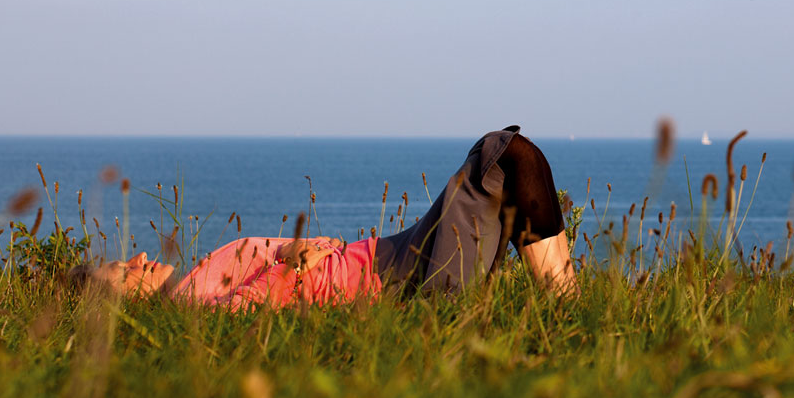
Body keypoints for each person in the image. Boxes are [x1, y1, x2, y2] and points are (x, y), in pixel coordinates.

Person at [76, 126, 577, 306]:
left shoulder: (195, 281)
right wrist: (292, 260)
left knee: (507, 156)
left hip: (392, 254)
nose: (137, 258)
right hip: (391, 277)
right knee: (503, 155)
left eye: (124, 260)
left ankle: (563, 305)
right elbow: (244, 309)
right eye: (123, 273)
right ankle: (564, 309)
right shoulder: (188, 301)